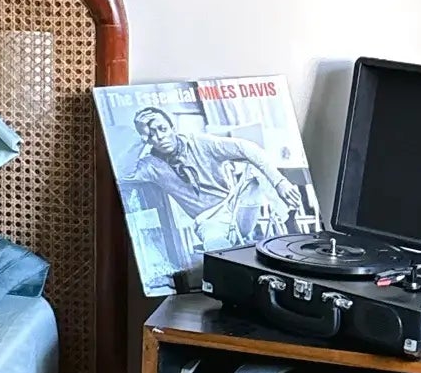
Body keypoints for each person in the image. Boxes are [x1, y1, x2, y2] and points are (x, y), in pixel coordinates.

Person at [125, 104, 305, 269]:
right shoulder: (149, 165)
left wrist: (280, 182)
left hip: (235, 206)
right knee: (216, 248)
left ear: (173, 127)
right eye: (150, 134)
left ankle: (288, 219)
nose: (159, 137)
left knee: (255, 170)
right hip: (208, 220)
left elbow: (248, 148)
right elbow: (122, 173)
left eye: (162, 129)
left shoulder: (200, 143)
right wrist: (138, 140)